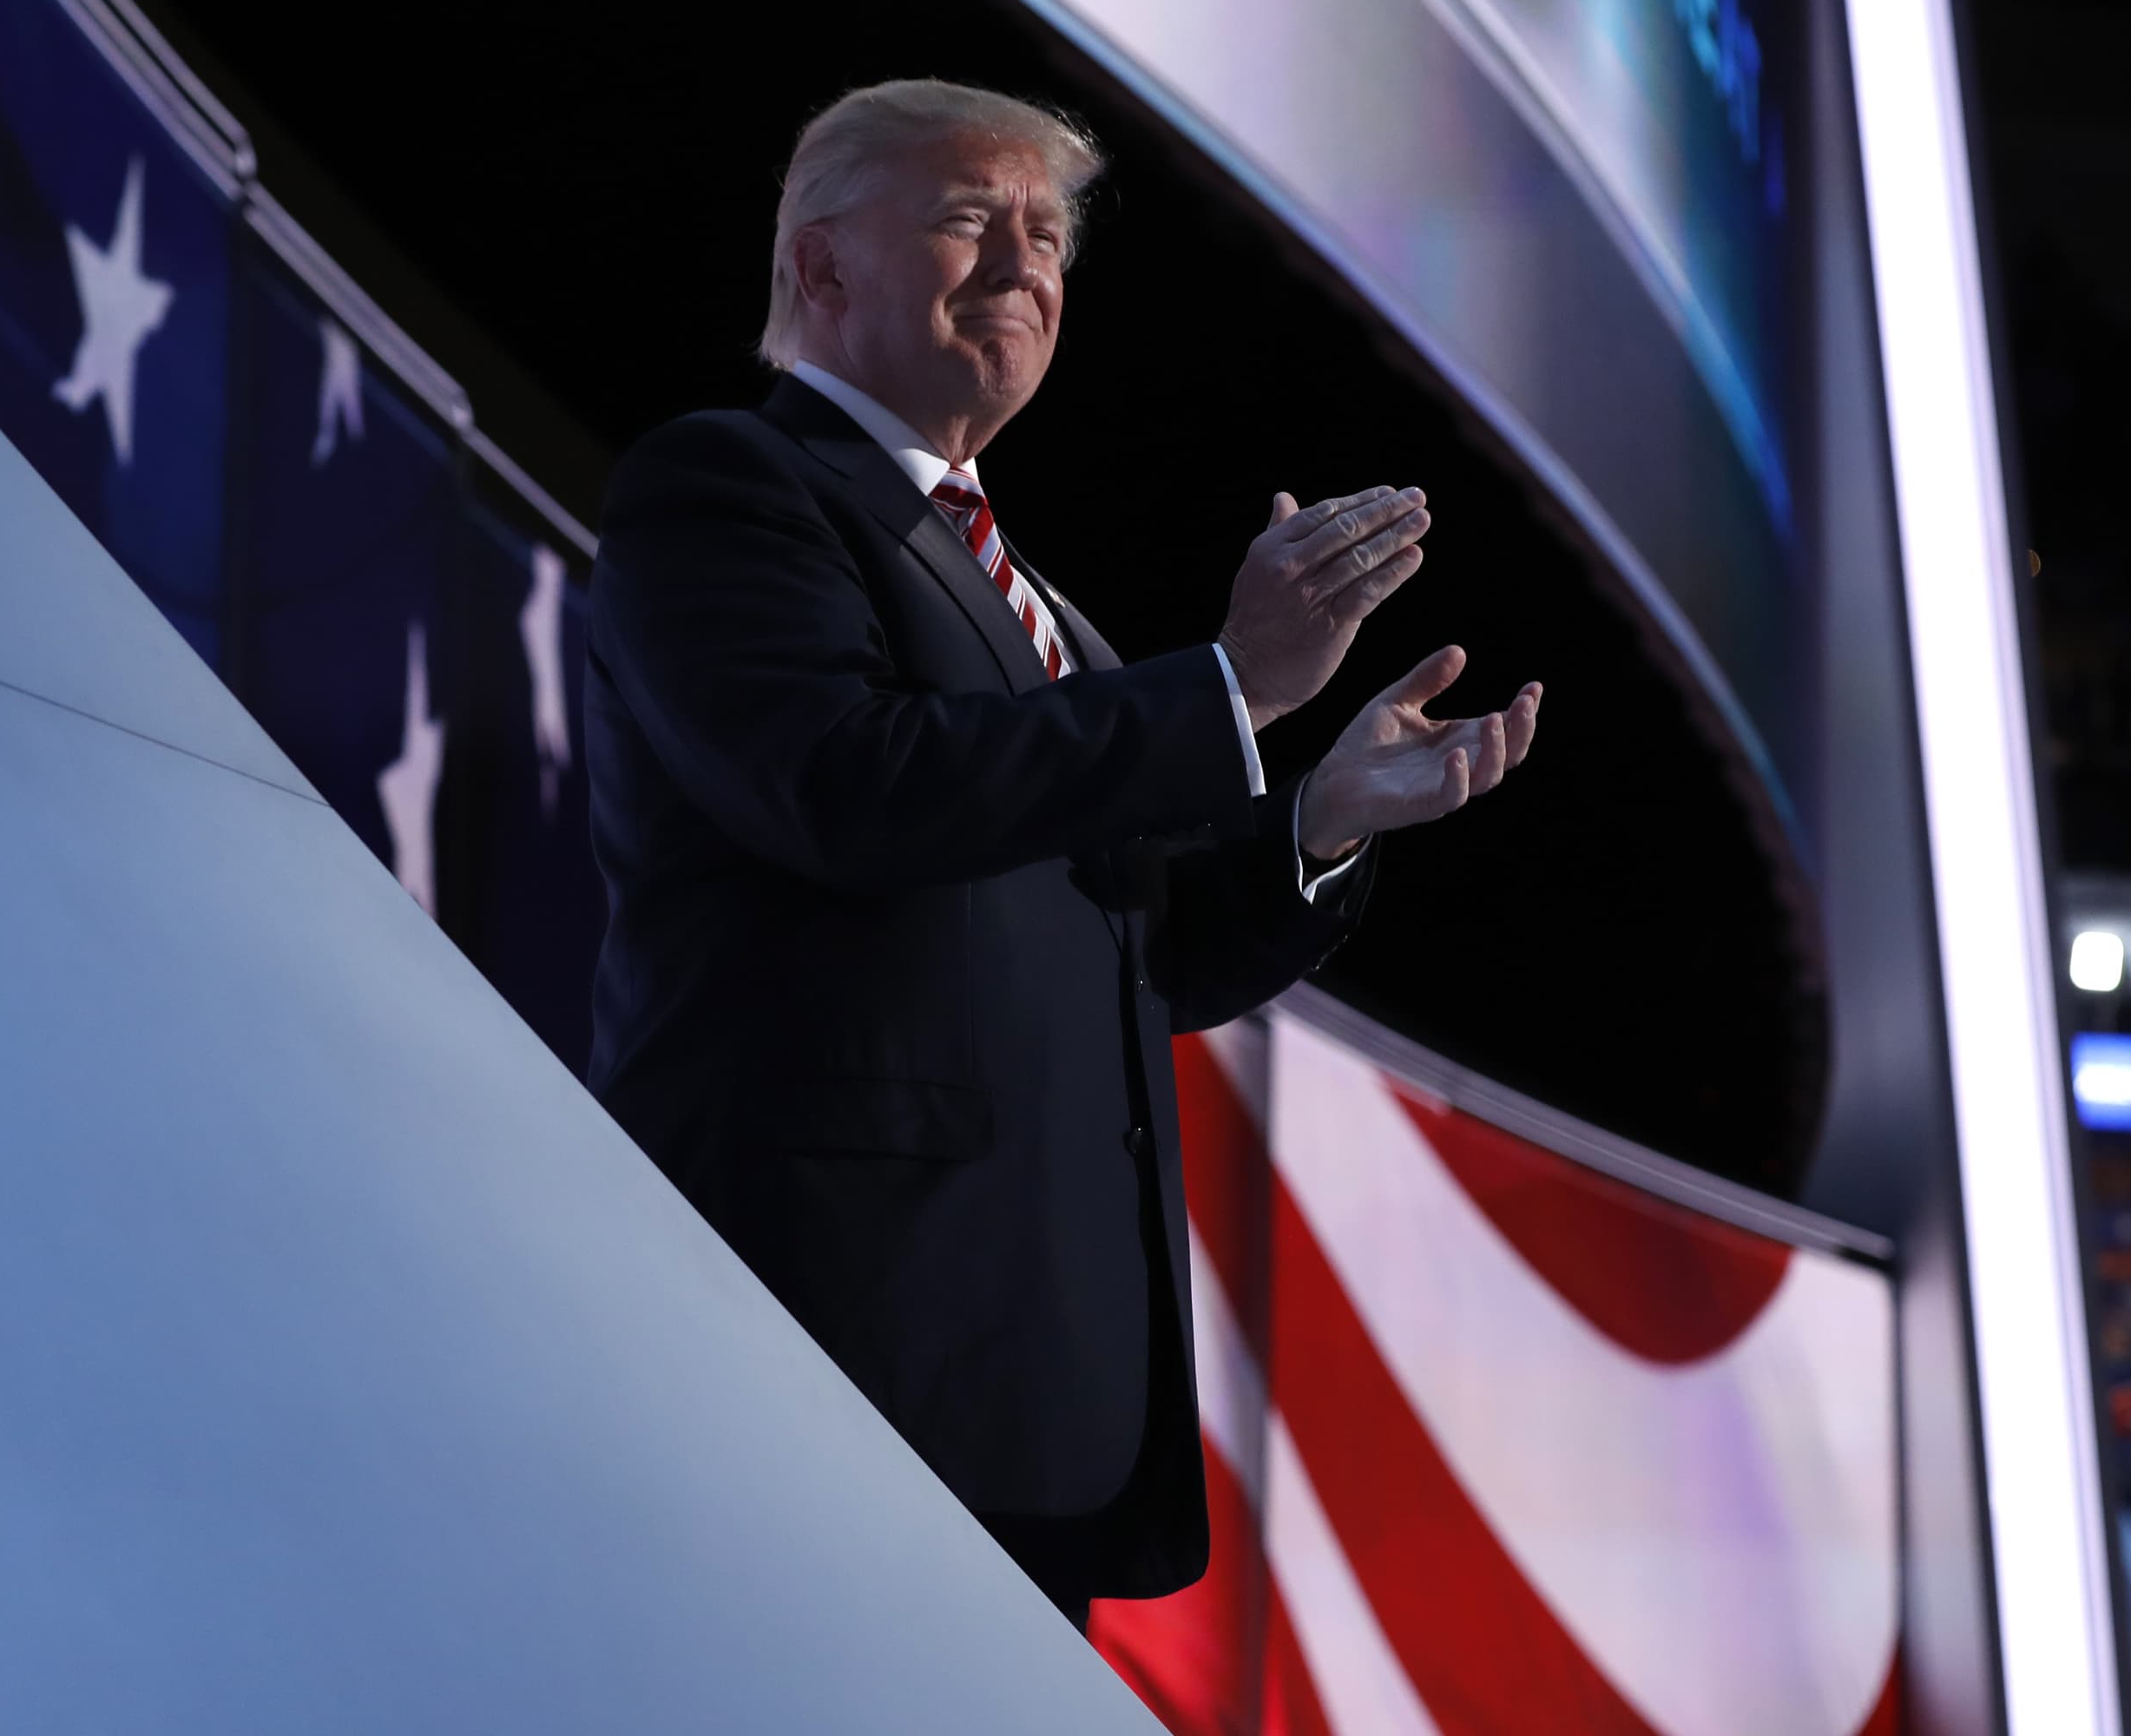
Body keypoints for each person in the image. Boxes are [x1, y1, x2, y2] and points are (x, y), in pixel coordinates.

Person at [582, 80, 1542, 1625]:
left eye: (1047, 234)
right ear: (821, 270)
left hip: (1038, 1388)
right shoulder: (725, 490)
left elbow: (1135, 959)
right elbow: (848, 788)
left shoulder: (1052, 616)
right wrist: (1227, 689)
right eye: (972, 219)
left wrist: (1318, 819)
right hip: (821, 1343)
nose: (1026, 263)